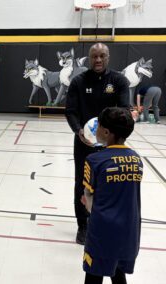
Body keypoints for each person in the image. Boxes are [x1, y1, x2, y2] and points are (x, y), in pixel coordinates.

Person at [65, 43, 130, 245]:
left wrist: (115, 136)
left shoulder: (119, 81)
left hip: (112, 146)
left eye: (102, 56)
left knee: (109, 183)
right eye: (94, 56)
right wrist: (79, 131)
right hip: (84, 144)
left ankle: (103, 221)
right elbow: (71, 111)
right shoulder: (78, 82)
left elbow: (126, 110)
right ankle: (83, 225)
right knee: (82, 184)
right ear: (89, 58)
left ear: (108, 57)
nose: (98, 60)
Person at [82, 107, 142, 284]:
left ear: (106, 132)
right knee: (117, 274)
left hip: (102, 232)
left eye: (98, 125)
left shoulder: (94, 160)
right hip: (129, 232)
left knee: (93, 276)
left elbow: (89, 200)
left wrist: (86, 201)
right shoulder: (136, 159)